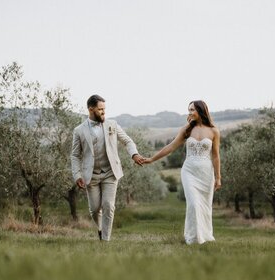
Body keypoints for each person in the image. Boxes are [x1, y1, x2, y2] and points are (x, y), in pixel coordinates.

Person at [144, 100, 221, 244]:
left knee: (205, 206)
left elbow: (216, 156)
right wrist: (151, 159)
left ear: (201, 110)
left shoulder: (214, 131)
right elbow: (171, 147)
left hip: (206, 173)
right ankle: (193, 237)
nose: (190, 112)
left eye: (192, 110)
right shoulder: (186, 130)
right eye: (189, 110)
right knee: (193, 204)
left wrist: (218, 177)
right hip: (189, 171)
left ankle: (205, 236)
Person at [71, 94, 145, 241]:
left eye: (105, 109)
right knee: (94, 209)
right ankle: (99, 229)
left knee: (108, 206)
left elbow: (127, 141)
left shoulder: (113, 124)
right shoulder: (79, 130)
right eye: (100, 109)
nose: (104, 112)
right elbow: (74, 155)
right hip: (90, 175)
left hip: (110, 173)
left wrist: (134, 154)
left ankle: (105, 240)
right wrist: (77, 175)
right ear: (91, 109)